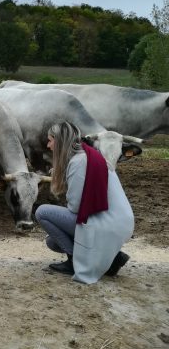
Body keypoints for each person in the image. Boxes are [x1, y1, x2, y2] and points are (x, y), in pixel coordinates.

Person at [35, 121, 133, 284]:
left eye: (50, 140)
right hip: (118, 221)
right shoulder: (86, 156)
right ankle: (114, 258)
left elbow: (75, 207)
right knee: (52, 241)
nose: (48, 145)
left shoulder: (78, 162)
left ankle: (76, 262)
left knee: (42, 212)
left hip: (107, 222)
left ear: (59, 141)